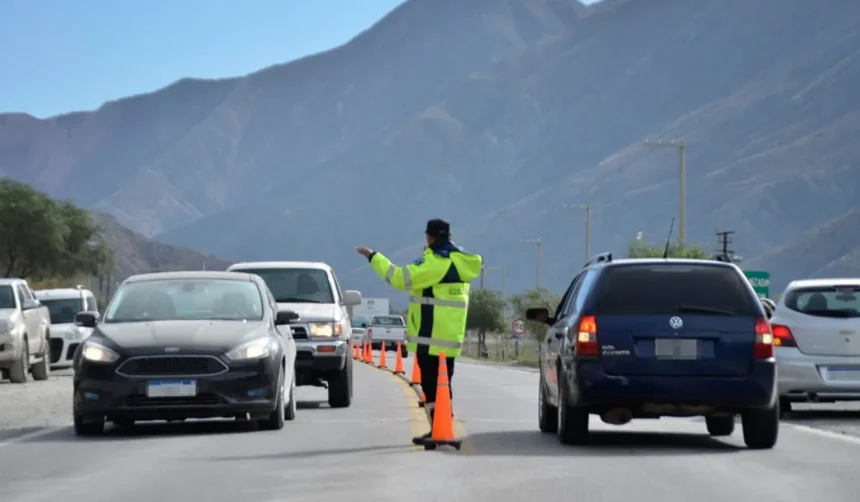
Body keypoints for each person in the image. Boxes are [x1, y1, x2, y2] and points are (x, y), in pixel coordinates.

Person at [356, 218, 482, 443]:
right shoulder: (459, 260)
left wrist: (374, 257)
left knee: (433, 386)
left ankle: (439, 429)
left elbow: (399, 278)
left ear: (430, 237)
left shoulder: (437, 263)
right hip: (449, 336)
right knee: (443, 384)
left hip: (431, 335)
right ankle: (440, 427)